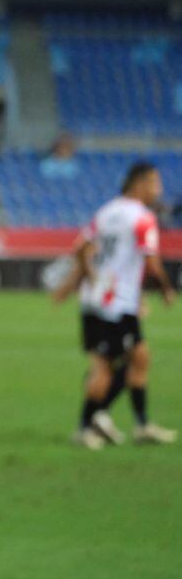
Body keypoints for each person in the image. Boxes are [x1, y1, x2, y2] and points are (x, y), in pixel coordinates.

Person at [69, 162, 176, 450]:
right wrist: (167, 289)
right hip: (114, 303)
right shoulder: (142, 218)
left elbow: (80, 248)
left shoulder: (106, 211)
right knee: (106, 366)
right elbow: (151, 261)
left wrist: (91, 276)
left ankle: (141, 425)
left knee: (139, 357)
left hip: (105, 298)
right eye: (155, 183)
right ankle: (87, 425)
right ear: (139, 183)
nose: (159, 190)